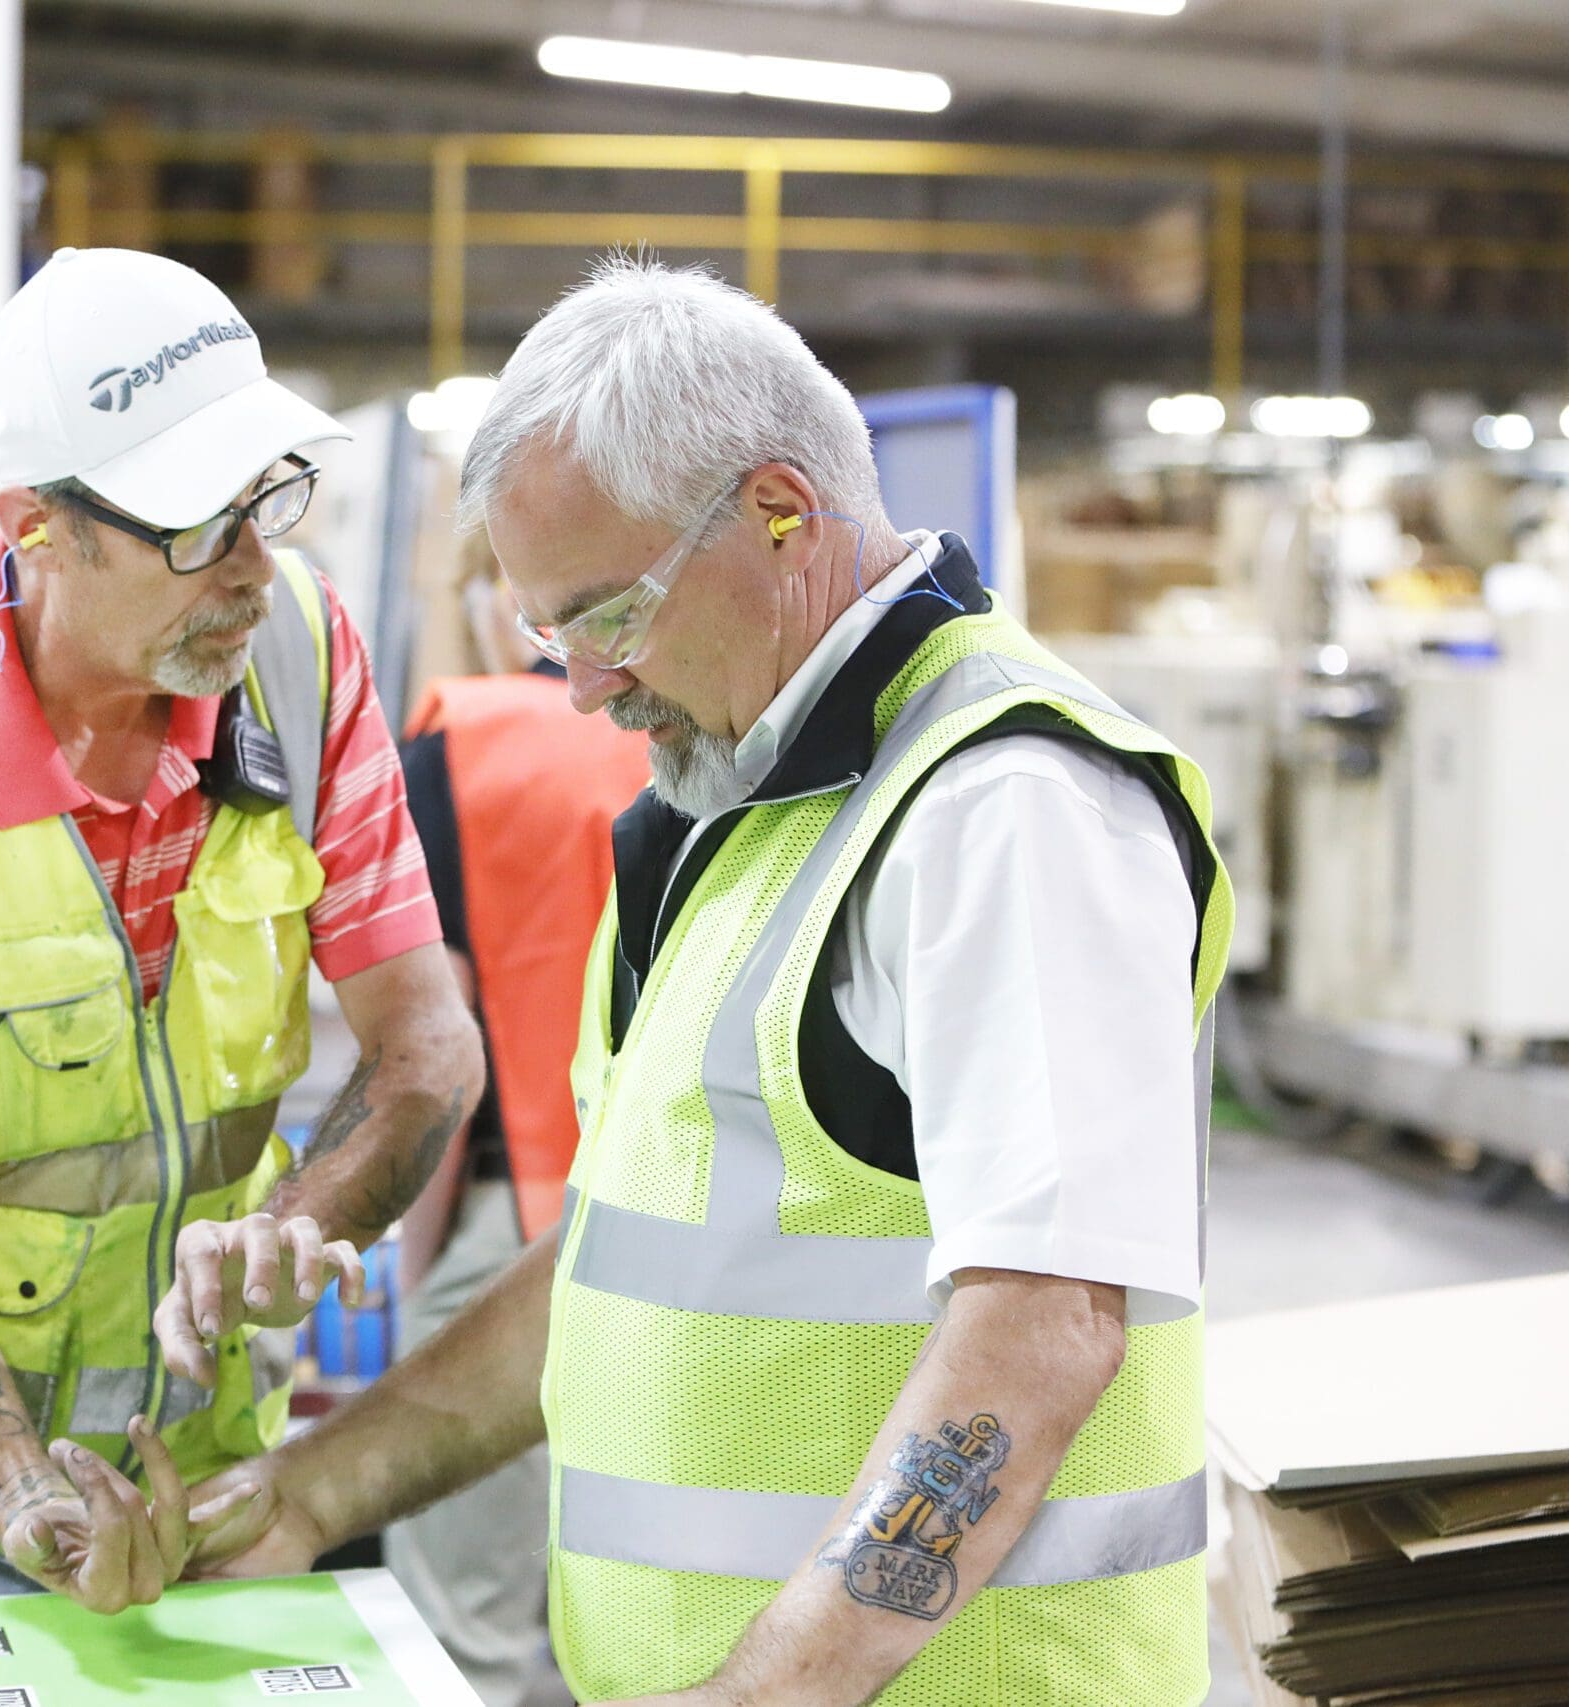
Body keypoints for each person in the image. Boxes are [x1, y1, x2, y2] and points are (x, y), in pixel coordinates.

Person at [184, 256, 1231, 1706]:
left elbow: (1040, 1325)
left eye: (608, 616)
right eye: (550, 634)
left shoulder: (1003, 804)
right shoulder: (737, 809)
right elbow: (619, 1266)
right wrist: (312, 1489)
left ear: (782, 511)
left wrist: (766, 1692)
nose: (584, 686)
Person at [0, 246, 483, 1615]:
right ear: (37, 527)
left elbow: (427, 1048)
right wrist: (30, 1500)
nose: (253, 568)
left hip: (209, 1481)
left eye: (265, 499)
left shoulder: (299, 656)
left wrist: (293, 1225)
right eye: (197, 526)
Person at [383, 539, 650, 1706]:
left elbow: (432, 1048)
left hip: (506, 1224)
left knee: (462, 1639)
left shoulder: (462, 747)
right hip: (690, 1237)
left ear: (509, 603)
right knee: (660, 1636)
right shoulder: (714, 741)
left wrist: (419, 1259)